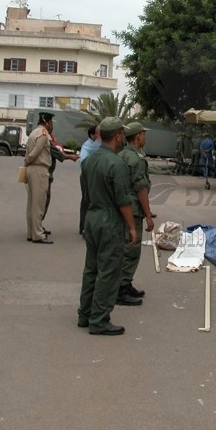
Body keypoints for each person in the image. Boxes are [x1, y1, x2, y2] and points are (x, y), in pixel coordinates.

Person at [78, 117, 137, 336]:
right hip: (109, 220)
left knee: (91, 269)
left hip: (92, 216)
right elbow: (123, 200)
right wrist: (132, 227)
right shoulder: (116, 164)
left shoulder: (90, 159)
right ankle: (99, 320)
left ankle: (85, 314)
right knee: (109, 271)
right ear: (119, 136)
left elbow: (85, 191)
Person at [118, 122, 154, 305]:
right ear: (138, 136)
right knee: (132, 248)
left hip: (121, 206)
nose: (145, 138)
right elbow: (141, 189)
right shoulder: (137, 160)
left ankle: (126, 283)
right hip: (133, 209)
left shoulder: (121, 155)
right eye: (143, 134)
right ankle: (121, 288)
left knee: (124, 244)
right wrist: (148, 215)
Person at [24, 110, 56, 244]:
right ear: (46, 122)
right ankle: (38, 234)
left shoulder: (34, 132)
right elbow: (34, 153)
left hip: (31, 169)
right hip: (39, 169)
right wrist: (27, 160)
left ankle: (31, 232)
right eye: (51, 122)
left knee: (31, 203)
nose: (52, 125)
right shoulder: (43, 135)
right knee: (38, 204)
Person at [78, 125, 100, 235]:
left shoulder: (97, 145)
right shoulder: (88, 146)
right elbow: (83, 162)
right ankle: (84, 227)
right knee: (87, 201)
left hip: (93, 177)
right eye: (98, 133)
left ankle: (87, 227)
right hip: (87, 177)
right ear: (92, 135)